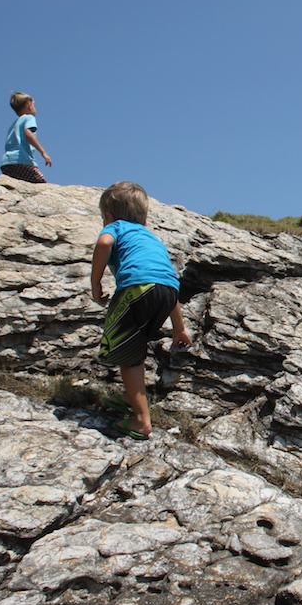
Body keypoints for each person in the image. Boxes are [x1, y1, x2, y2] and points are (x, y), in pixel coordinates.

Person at [90, 181, 193, 440]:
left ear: (109, 215)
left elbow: (103, 243)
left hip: (136, 289)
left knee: (127, 356)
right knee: (136, 345)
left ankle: (141, 421)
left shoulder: (115, 227)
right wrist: (178, 328)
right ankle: (129, 396)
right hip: (168, 292)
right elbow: (166, 279)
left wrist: (96, 284)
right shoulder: (151, 237)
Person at [0, 92, 52, 183]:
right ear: (29, 105)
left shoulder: (13, 126)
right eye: (34, 105)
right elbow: (28, 133)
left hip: (7, 163)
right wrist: (43, 152)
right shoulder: (29, 118)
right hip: (22, 161)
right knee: (41, 186)